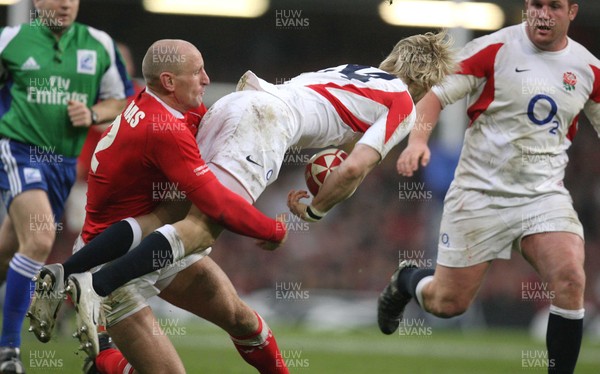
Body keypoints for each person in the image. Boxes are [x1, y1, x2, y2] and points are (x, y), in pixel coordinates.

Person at [30, 30, 456, 373]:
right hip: (265, 122)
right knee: (201, 228)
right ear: (425, 83)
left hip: (238, 103)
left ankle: (72, 274)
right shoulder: (403, 100)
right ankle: (96, 287)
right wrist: (314, 210)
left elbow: (331, 134)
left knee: (173, 214)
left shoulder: (358, 73)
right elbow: (353, 169)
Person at [29, 38, 288, 374]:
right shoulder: (161, 128)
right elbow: (215, 203)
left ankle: (94, 343)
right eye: (197, 73)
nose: (207, 80)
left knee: (242, 319)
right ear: (168, 81)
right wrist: (272, 229)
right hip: (112, 262)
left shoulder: (174, 108)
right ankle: (102, 359)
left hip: (156, 240)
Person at [377, 1, 600, 373]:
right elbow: (435, 97)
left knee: (571, 278)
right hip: (479, 195)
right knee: (448, 303)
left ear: (572, 12)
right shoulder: (494, 49)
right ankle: (406, 280)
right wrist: (417, 143)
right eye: (535, 5)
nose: (543, 14)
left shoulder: (589, 68)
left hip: (542, 196)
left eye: (554, 6)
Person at [0, 0, 134, 372]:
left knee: (10, 250)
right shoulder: (10, 40)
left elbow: (122, 100)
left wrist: (93, 113)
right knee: (42, 238)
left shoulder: (99, 44)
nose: (65, 4)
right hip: (19, 150)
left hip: (63, 164)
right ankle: (8, 351)